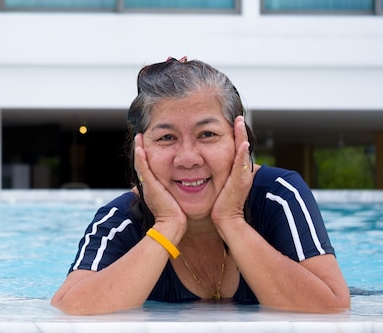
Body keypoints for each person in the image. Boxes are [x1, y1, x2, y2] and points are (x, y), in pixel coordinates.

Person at [51, 57, 350, 315]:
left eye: (207, 134)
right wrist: (166, 226)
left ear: (238, 140)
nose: (188, 158)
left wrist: (231, 220)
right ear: (141, 151)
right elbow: (70, 308)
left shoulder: (278, 195)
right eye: (166, 138)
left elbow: (333, 306)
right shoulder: (123, 219)